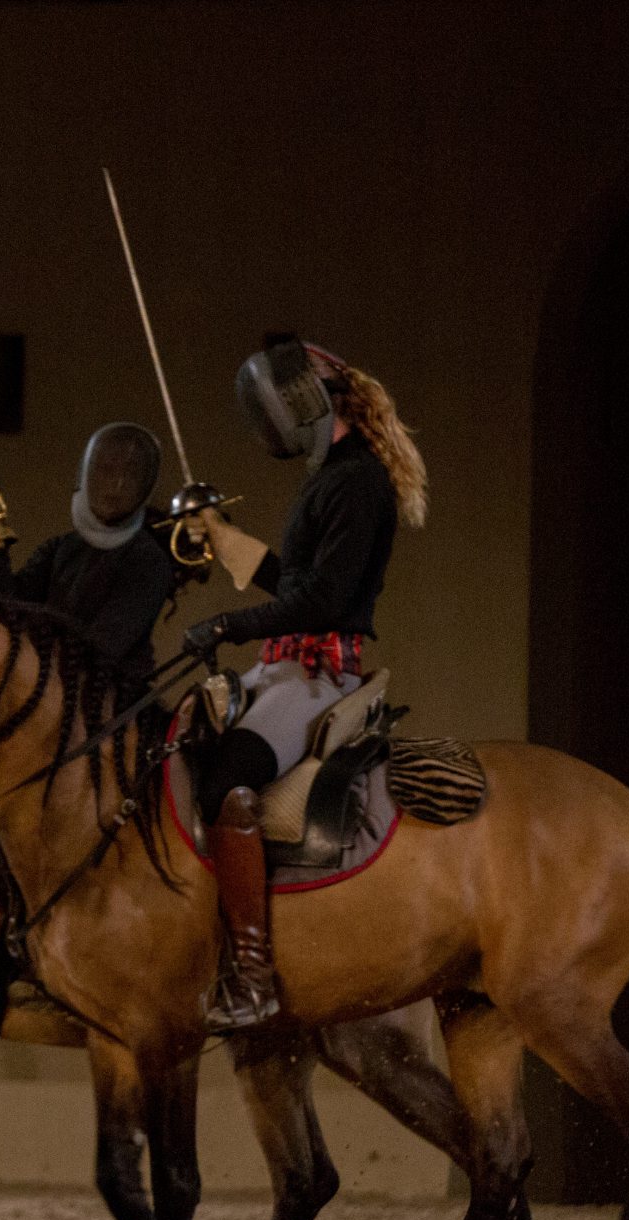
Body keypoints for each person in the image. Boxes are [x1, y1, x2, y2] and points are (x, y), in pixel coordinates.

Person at [180, 334, 429, 1031]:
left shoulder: (358, 483)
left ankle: (253, 975)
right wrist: (223, 538)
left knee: (229, 779)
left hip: (316, 676)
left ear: (302, 403)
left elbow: (321, 601)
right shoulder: (329, 477)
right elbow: (296, 579)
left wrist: (226, 625)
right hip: (281, 667)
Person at [0, 422, 176, 687]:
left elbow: (101, 648)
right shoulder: (61, 548)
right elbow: (5, 611)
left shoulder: (149, 562)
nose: (116, 485)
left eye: (130, 476)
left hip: (112, 704)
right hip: (47, 691)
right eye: (106, 471)